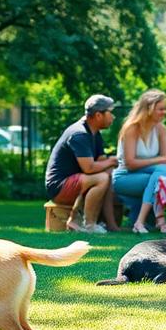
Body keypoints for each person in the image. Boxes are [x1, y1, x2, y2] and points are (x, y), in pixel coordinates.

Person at [112, 89, 166, 234]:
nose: (164, 112)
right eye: (160, 109)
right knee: (162, 175)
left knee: (162, 173)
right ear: (148, 109)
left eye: (165, 108)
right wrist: (164, 160)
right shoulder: (132, 129)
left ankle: (143, 221)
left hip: (151, 176)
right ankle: (152, 221)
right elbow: (130, 163)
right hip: (125, 178)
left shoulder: (161, 129)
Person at [44, 95, 121, 233]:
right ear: (98, 115)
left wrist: (111, 162)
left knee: (108, 174)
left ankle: (110, 224)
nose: (113, 117)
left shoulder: (95, 133)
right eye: (111, 112)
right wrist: (112, 161)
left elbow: (101, 162)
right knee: (102, 178)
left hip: (79, 181)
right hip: (59, 186)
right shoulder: (79, 134)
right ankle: (88, 225)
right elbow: (89, 167)